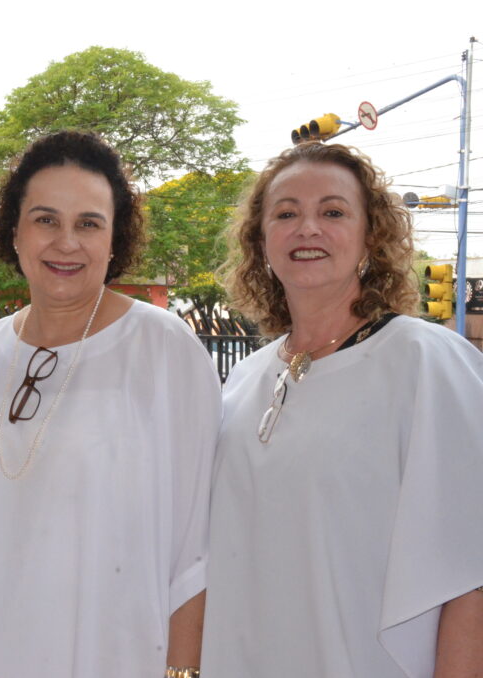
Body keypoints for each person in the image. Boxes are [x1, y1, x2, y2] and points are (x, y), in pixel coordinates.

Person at [202, 142, 483, 677]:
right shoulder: (243, 381)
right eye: (286, 213)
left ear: (369, 238)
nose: (308, 228)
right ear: (261, 240)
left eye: (333, 212)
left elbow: (471, 573)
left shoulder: (425, 362)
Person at [0, 131, 221, 678]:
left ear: (115, 239)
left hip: (124, 654)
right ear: (14, 231)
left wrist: (183, 672)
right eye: (45, 219)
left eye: (88, 223)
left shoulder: (164, 349)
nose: (66, 242)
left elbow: (198, 543)